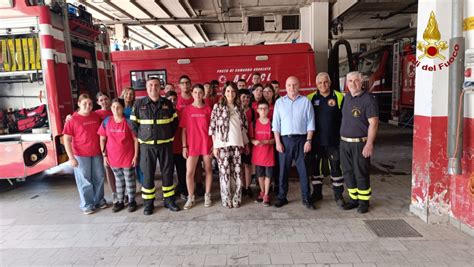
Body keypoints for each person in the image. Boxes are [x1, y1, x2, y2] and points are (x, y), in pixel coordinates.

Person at [130, 77, 180, 215]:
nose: (154, 87)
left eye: (156, 85)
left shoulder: (168, 104)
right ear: (147, 88)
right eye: (150, 85)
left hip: (165, 146)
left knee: (167, 173)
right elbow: (133, 125)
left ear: (160, 88)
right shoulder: (139, 104)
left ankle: (169, 200)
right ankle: (148, 204)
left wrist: (167, 136)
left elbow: (174, 122)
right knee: (148, 175)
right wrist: (143, 138)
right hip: (147, 147)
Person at [272, 76, 315, 209]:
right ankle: (282, 197)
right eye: (289, 85)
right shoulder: (279, 102)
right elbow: (276, 125)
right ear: (285, 86)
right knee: (283, 171)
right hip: (285, 141)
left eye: (294, 85)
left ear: (299, 85)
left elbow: (311, 123)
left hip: (302, 140)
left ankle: (306, 198)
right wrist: (278, 143)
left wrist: (308, 140)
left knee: (303, 171)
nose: (292, 88)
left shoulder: (306, 102)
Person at [340, 71, 379, 214]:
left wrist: (369, 144)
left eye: (356, 80)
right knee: (348, 172)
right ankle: (353, 199)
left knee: (360, 173)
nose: (353, 83)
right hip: (344, 143)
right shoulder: (347, 97)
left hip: (360, 144)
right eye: (350, 81)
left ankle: (364, 202)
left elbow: (373, 123)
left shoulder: (368, 100)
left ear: (361, 82)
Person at [63, 94, 107, 215]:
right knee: (85, 180)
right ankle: (87, 205)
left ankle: (99, 200)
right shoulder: (72, 120)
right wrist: (71, 158)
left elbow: (109, 114)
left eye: (90, 104)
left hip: (97, 153)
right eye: (85, 104)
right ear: (79, 104)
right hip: (80, 155)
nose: (88, 106)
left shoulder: (96, 116)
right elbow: (66, 139)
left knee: (99, 177)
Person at [306, 72, 345, 207]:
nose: (323, 85)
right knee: (316, 170)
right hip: (316, 142)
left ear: (330, 82)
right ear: (316, 84)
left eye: (325, 82)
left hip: (334, 141)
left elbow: (344, 119)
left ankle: (338, 195)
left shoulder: (339, 97)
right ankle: (317, 193)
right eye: (320, 83)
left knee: (336, 169)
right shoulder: (310, 98)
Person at [209, 82, 249, 208]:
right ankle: (226, 199)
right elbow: (213, 127)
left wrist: (246, 144)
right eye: (227, 91)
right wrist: (215, 146)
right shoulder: (218, 106)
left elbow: (244, 128)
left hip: (237, 144)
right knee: (224, 173)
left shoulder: (240, 107)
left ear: (236, 92)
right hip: (222, 145)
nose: (230, 94)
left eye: (232, 91)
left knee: (237, 173)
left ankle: (236, 198)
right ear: (224, 92)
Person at [98, 98, 138, 213]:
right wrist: (104, 155)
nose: (116, 109)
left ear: (123, 108)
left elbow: (136, 140)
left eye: (118, 107)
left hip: (127, 157)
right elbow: (102, 139)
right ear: (111, 108)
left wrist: (135, 156)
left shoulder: (129, 123)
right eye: (114, 107)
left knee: (129, 179)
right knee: (119, 180)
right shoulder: (106, 122)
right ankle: (120, 201)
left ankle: (131, 201)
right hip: (113, 157)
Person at [181, 84, 214, 209]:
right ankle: (191, 197)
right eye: (195, 92)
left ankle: (207, 194)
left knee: (208, 170)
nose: (198, 94)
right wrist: (184, 147)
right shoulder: (187, 110)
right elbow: (183, 130)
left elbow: (213, 129)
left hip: (206, 144)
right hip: (192, 145)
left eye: (200, 92)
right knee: (189, 172)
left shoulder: (208, 109)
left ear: (203, 94)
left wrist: (214, 145)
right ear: (192, 93)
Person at [251, 100, 275, 206]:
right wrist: (254, 141)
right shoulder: (254, 123)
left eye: (265, 108)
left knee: (268, 175)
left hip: (269, 154)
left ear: (269, 109)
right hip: (258, 154)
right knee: (260, 174)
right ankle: (261, 191)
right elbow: (250, 138)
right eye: (261, 109)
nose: (263, 110)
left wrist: (267, 141)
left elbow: (276, 139)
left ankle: (266, 194)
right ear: (257, 110)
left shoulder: (272, 122)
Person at [165, 90, 188, 200]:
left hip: (180, 148)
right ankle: (169, 195)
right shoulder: (162, 113)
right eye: (170, 99)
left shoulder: (182, 112)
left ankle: (183, 191)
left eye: (174, 99)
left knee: (182, 171)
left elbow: (186, 130)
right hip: (167, 149)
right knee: (168, 173)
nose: (173, 101)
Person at [238, 89, 255, 198]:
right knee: (239, 166)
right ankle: (241, 187)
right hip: (238, 142)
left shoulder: (253, 111)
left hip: (248, 141)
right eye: (243, 97)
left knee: (247, 165)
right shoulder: (236, 110)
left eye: (248, 97)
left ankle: (247, 187)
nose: (246, 99)